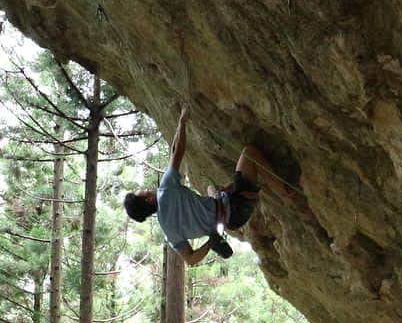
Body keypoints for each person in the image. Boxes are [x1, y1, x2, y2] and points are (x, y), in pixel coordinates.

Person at [123, 106, 296, 266]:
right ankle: (285, 192)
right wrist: (182, 121)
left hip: (232, 220)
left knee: (210, 189)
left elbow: (190, 259)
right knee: (250, 153)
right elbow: (177, 151)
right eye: (144, 191)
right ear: (149, 199)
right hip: (234, 206)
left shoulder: (169, 232)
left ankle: (239, 187)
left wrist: (210, 242)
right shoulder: (165, 191)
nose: (147, 188)